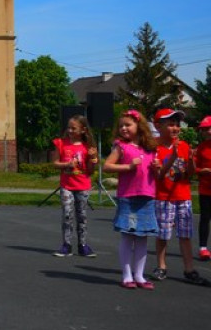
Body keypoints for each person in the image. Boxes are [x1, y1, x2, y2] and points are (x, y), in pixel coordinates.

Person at [103, 109, 158, 290]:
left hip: (147, 197)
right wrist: (128, 166)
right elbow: (107, 166)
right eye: (121, 126)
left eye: (128, 125)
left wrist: (157, 167)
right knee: (128, 236)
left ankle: (139, 276)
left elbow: (157, 173)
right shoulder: (121, 146)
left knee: (142, 238)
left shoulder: (150, 148)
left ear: (139, 126)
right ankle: (127, 276)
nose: (124, 128)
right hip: (130, 198)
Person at [151, 108, 204, 284]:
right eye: (170, 125)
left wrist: (190, 161)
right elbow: (158, 175)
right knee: (163, 235)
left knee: (185, 235)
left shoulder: (183, 146)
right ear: (158, 126)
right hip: (164, 197)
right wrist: (172, 158)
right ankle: (161, 266)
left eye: (177, 125)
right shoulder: (154, 148)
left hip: (183, 196)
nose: (175, 128)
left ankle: (189, 269)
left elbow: (190, 173)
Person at [50, 115, 98, 258]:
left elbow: (90, 170)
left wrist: (93, 159)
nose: (70, 130)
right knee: (67, 214)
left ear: (83, 130)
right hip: (67, 185)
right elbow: (55, 163)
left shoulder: (87, 146)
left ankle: (82, 245)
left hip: (82, 185)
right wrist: (67, 164)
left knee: (82, 215)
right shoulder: (61, 143)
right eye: (68, 127)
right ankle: (66, 244)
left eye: (73, 128)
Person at [195, 116, 211, 262]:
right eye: (206, 129)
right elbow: (194, 168)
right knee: (205, 218)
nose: (209, 132)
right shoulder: (202, 147)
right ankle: (203, 248)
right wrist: (202, 171)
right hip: (206, 189)